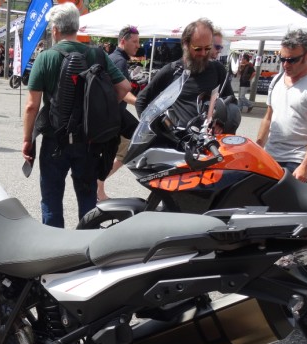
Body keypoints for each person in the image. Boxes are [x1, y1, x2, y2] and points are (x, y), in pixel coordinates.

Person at [22, 3, 130, 228]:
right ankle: (88, 242)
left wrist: (27, 140)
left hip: (54, 139)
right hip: (89, 140)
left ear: (54, 29)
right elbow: (124, 87)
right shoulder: (96, 54)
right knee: (87, 198)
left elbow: (32, 106)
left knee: (51, 198)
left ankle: (55, 244)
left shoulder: (45, 57)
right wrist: (101, 111)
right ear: (76, 27)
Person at [256, 30, 307, 183]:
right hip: (272, 153)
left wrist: (305, 165)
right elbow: (268, 118)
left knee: (282, 197)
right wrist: (257, 149)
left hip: (297, 157)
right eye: (282, 59)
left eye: (292, 60)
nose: (286, 64)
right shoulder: (277, 80)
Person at [135, 18, 234, 126]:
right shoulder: (172, 70)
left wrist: (222, 122)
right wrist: (152, 129)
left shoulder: (217, 69)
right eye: (198, 48)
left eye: (207, 48)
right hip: (179, 136)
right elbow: (141, 100)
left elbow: (231, 102)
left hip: (209, 135)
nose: (203, 53)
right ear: (185, 44)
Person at [97, 24, 140, 201]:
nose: (138, 45)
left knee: (113, 152)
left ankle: (98, 188)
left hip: (109, 116)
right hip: (113, 118)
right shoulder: (119, 61)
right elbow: (121, 90)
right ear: (123, 41)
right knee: (127, 150)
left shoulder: (113, 58)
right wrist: (140, 102)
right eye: (134, 41)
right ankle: (97, 187)